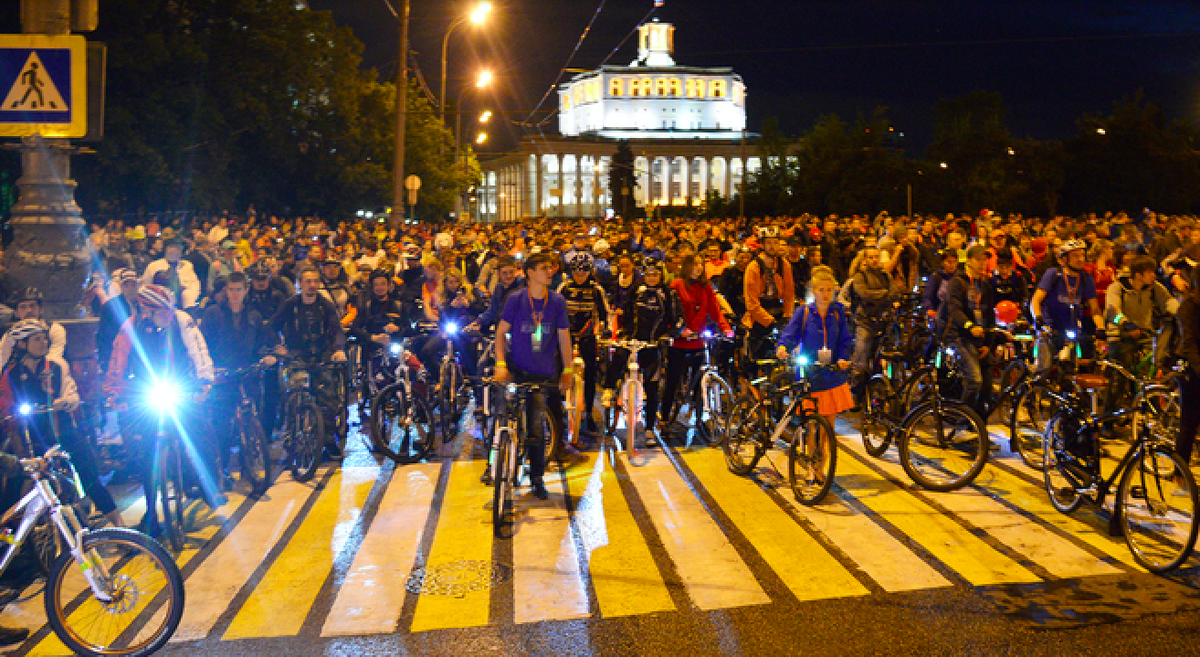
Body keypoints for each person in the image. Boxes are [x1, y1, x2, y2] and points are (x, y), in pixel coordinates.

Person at [105, 285, 221, 532]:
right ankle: (150, 510)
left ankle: (209, 484)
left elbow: (199, 351)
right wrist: (114, 393)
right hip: (147, 389)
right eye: (163, 312)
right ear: (146, 310)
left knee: (200, 433)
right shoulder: (130, 327)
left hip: (181, 384)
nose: (170, 315)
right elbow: (117, 361)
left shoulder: (182, 320)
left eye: (171, 310)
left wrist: (204, 381)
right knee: (147, 454)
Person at [0, 319, 124, 528]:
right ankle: (11, 539)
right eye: (36, 339)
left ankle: (121, 526)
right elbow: (6, 406)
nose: (43, 343)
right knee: (13, 484)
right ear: (22, 344)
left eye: (44, 339)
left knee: (90, 478)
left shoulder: (56, 366)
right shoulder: (10, 374)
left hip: (63, 433)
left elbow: (73, 394)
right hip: (31, 438)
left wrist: (65, 402)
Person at [494, 252, 574, 500]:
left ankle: (537, 478)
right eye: (543, 268)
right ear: (529, 273)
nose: (548, 272)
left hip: (542, 373)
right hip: (515, 369)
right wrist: (500, 364)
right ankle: (494, 461)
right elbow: (500, 333)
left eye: (550, 268)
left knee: (536, 429)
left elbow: (564, 338)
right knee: (500, 416)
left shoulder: (557, 301)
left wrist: (568, 370)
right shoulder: (516, 299)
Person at [200, 272, 279, 488]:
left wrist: (268, 355)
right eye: (231, 289)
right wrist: (209, 366)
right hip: (222, 376)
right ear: (226, 291)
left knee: (253, 420)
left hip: (248, 373)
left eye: (238, 290)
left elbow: (264, 340)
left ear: (246, 290)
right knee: (222, 427)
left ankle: (248, 468)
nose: (234, 294)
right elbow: (203, 342)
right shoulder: (213, 313)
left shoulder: (254, 315)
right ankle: (221, 470)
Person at [775, 265, 853, 465]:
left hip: (832, 376)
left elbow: (845, 340)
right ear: (813, 291)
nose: (825, 294)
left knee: (828, 427)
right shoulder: (804, 312)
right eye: (821, 290)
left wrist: (843, 358)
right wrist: (783, 347)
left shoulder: (838, 313)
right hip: (810, 375)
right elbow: (789, 334)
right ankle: (812, 464)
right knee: (812, 426)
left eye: (829, 290)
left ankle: (821, 465)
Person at [271, 265, 348, 457]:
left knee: (328, 399)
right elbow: (272, 326)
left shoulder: (325, 305)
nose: (312, 285)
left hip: (321, 356)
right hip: (296, 357)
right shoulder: (290, 305)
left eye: (315, 281)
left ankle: (329, 441)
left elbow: (336, 329)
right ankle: (292, 434)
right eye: (308, 282)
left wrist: (338, 349)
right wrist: (277, 346)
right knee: (293, 396)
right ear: (300, 284)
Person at [601, 258, 679, 447]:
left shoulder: (669, 294)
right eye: (648, 274)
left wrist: (668, 336)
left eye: (655, 274)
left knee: (652, 388)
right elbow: (625, 313)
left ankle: (650, 428)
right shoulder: (637, 290)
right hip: (632, 339)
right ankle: (609, 389)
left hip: (652, 345)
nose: (651, 277)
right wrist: (621, 332)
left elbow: (678, 320)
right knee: (618, 357)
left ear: (661, 274)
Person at [662, 255, 733, 430]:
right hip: (680, 341)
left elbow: (715, 311)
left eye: (701, 264)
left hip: (699, 340)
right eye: (695, 264)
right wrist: (679, 330)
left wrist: (726, 328)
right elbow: (669, 312)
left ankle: (701, 415)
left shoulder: (706, 286)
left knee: (701, 378)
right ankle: (664, 416)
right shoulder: (677, 285)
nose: (699, 267)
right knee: (673, 379)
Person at [937, 245, 996, 421]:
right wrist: (969, 326)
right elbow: (954, 310)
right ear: (968, 261)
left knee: (987, 385)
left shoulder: (984, 285)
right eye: (978, 260)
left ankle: (977, 424)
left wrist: (988, 343)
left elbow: (989, 314)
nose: (982, 263)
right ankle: (960, 418)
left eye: (984, 260)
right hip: (958, 335)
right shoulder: (958, 282)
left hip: (978, 337)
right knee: (974, 380)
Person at [1030, 239, 1106, 364]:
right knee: (1045, 366)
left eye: (1082, 255)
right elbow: (1036, 300)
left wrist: (1101, 329)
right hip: (1049, 325)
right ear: (1064, 259)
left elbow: (1095, 309)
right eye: (1076, 256)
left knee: (1072, 364)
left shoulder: (1086, 278)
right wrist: (1038, 318)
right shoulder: (1053, 274)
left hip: (1070, 327)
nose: (1081, 259)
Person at [557, 258, 609, 437]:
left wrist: (605, 328)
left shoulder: (596, 290)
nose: (580, 277)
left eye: (583, 274)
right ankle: (558, 409)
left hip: (587, 336)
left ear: (589, 273)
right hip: (567, 335)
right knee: (560, 369)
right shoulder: (564, 288)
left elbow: (604, 314)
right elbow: (555, 309)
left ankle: (588, 414)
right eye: (577, 274)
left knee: (590, 373)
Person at [742, 233, 795, 366]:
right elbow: (752, 303)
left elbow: (789, 294)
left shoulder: (784, 265)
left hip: (778, 309)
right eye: (769, 243)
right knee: (756, 357)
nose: (772, 246)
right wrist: (770, 321)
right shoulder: (753, 267)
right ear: (763, 245)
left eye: (775, 243)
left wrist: (787, 316)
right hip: (758, 315)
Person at [0, 288, 66, 369]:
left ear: (40, 310)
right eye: (23, 307)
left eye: (32, 306)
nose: (28, 310)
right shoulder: (11, 334)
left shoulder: (55, 329)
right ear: (16, 313)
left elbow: (54, 359)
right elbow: (2, 361)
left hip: (48, 374)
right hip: (19, 376)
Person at [97, 270, 140, 374]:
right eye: (126, 285)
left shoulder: (144, 304)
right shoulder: (111, 306)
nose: (130, 288)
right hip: (118, 354)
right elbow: (104, 335)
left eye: (133, 285)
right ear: (121, 286)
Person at [140, 238, 201, 309]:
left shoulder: (187, 265)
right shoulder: (153, 266)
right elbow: (145, 287)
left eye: (179, 248)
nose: (176, 250)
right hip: (160, 305)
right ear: (167, 249)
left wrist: (189, 295)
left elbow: (195, 285)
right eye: (173, 247)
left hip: (184, 305)